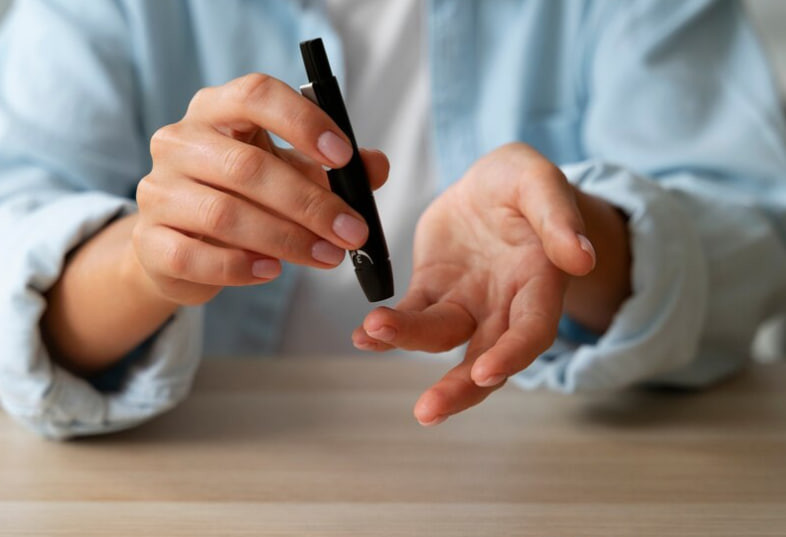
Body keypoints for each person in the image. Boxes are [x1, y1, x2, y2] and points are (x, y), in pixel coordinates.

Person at [0, 0, 784, 439]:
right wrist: (145, 264)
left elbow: (754, 240)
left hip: (542, 475)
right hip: (217, 476)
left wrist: (576, 232)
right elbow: (14, 246)